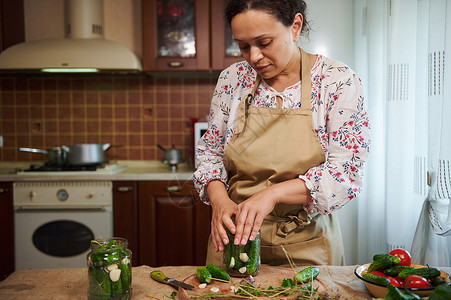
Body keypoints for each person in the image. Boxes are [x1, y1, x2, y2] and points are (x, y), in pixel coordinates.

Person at [193, 0, 371, 266]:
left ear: (295, 26)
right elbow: (210, 152)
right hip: (233, 241)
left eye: (264, 43)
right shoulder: (232, 80)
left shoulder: (337, 80)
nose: (253, 57)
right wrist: (219, 201)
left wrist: (271, 195)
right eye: (243, 46)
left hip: (308, 244)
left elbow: (345, 174)